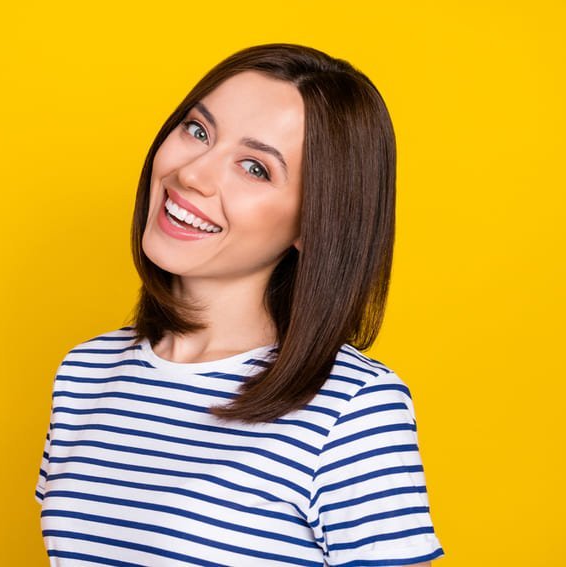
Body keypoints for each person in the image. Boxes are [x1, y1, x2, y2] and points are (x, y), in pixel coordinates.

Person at [34, 43, 445, 566]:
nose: (193, 174)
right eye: (197, 130)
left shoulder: (353, 409)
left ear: (314, 222)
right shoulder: (85, 371)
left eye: (254, 168)